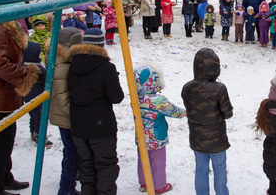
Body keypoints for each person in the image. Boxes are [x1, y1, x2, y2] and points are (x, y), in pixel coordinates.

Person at [0, 20, 40, 195]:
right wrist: (28, 74)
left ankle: (5, 178)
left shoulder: (2, 26)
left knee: (5, 141)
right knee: (0, 144)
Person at [68, 28, 124, 195]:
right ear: (101, 45)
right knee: (106, 165)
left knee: (86, 165)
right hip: (101, 126)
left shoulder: (73, 65)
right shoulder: (106, 67)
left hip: (78, 125)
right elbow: (116, 97)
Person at [181, 48, 233, 195]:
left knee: (201, 168)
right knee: (220, 168)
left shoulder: (187, 87)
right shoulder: (219, 88)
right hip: (217, 140)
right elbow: (228, 113)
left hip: (197, 138)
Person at [134, 65, 185, 194]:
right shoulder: (159, 101)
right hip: (157, 137)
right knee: (157, 162)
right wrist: (184, 113)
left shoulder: (136, 99)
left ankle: (144, 183)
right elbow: (172, 111)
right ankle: (159, 186)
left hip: (141, 137)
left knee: (142, 159)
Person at [47, 27, 83, 195]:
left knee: (70, 151)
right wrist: (78, 114)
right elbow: (62, 96)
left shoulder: (63, 60)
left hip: (66, 116)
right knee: (73, 153)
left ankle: (69, 183)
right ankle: (66, 189)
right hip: (67, 117)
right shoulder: (62, 65)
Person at [23, 41, 52, 147]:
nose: (41, 55)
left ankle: (34, 133)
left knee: (33, 116)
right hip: (38, 98)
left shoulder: (24, 67)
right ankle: (41, 137)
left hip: (28, 98)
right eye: (39, 53)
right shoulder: (37, 70)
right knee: (40, 117)